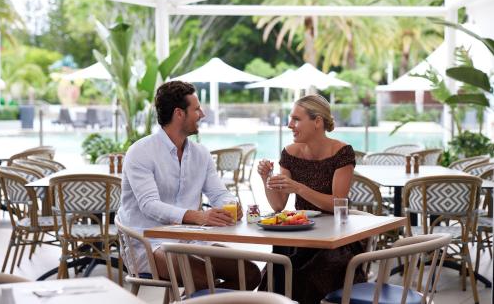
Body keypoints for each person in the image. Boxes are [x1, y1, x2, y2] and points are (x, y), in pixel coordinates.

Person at [118, 80, 260, 291]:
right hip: (148, 242)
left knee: (249, 274)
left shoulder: (201, 154)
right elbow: (149, 204)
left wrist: (231, 204)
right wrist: (199, 216)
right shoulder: (140, 152)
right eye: (197, 109)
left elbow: (219, 193)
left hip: (193, 240)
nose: (202, 114)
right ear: (179, 114)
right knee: (202, 279)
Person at [257, 94, 366, 303]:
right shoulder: (290, 153)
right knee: (278, 267)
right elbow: (279, 204)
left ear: (317, 121)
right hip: (299, 237)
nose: (290, 125)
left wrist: (299, 187)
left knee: (306, 275)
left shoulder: (342, 152)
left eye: (296, 119)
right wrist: (266, 178)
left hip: (336, 243)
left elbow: (337, 204)